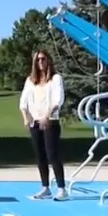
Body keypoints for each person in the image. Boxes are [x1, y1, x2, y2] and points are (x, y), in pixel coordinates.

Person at [20, 50, 67, 201]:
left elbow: (58, 100)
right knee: (40, 156)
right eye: (38, 60)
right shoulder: (30, 80)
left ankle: (61, 188)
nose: (41, 62)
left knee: (52, 154)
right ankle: (45, 187)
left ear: (48, 60)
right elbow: (23, 102)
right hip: (35, 122)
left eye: (43, 59)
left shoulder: (55, 78)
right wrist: (26, 118)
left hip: (50, 121)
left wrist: (48, 116)